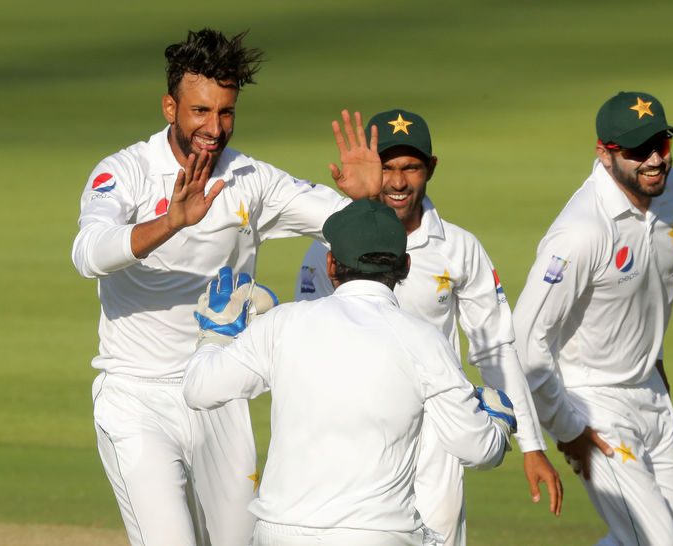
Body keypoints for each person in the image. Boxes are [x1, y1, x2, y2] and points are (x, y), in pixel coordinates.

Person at [71, 28, 380, 546]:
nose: (214, 129)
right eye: (200, 111)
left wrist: (367, 202)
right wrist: (171, 222)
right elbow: (88, 254)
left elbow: (354, 231)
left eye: (226, 112)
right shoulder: (126, 171)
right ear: (170, 106)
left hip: (220, 393)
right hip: (138, 396)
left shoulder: (251, 179)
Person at [295, 109, 562, 545]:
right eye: (387, 168)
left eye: (411, 168)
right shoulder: (332, 245)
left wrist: (531, 445)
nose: (398, 182)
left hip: (437, 430)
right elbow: (309, 341)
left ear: (431, 168)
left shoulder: (459, 247)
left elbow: (494, 347)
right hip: (356, 427)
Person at [183, 199, 516, 546]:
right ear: (405, 266)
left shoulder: (283, 324)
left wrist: (216, 333)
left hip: (280, 533)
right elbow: (477, 450)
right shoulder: (425, 341)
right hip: (379, 535)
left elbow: (198, 388)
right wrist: (498, 423)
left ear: (331, 265)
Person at [512, 91, 673, 545]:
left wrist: (655, 360)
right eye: (637, 151)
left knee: (672, 536)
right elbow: (526, 338)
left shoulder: (672, 194)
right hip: (594, 402)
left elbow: (652, 287)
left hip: (650, 391)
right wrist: (566, 427)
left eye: (661, 145)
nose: (654, 160)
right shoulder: (582, 232)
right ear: (605, 154)